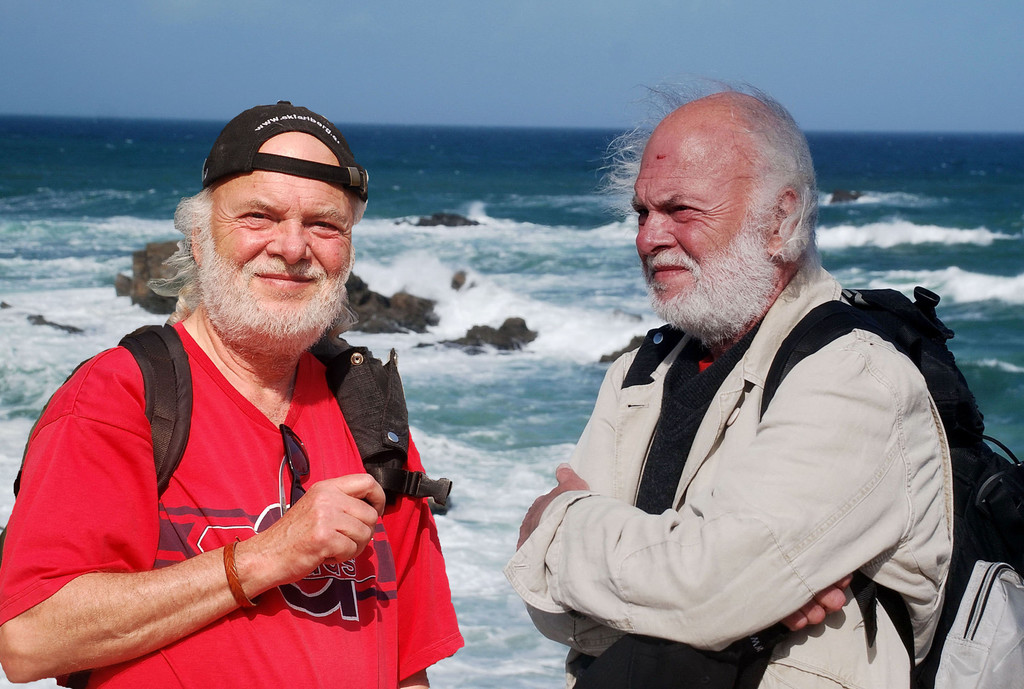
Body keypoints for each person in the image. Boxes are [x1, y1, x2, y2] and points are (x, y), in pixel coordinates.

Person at [0, 102, 463, 688]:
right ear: (199, 240)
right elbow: (29, 640)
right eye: (258, 217)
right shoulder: (120, 395)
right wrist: (270, 556)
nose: (292, 248)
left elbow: (408, 668)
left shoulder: (368, 413)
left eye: (324, 225)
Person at [506, 86, 953, 688]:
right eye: (642, 213)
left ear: (780, 220)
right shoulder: (637, 374)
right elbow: (547, 607)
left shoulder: (853, 374)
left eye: (680, 210)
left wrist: (556, 524)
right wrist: (724, 603)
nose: (647, 238)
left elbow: (705, 588)